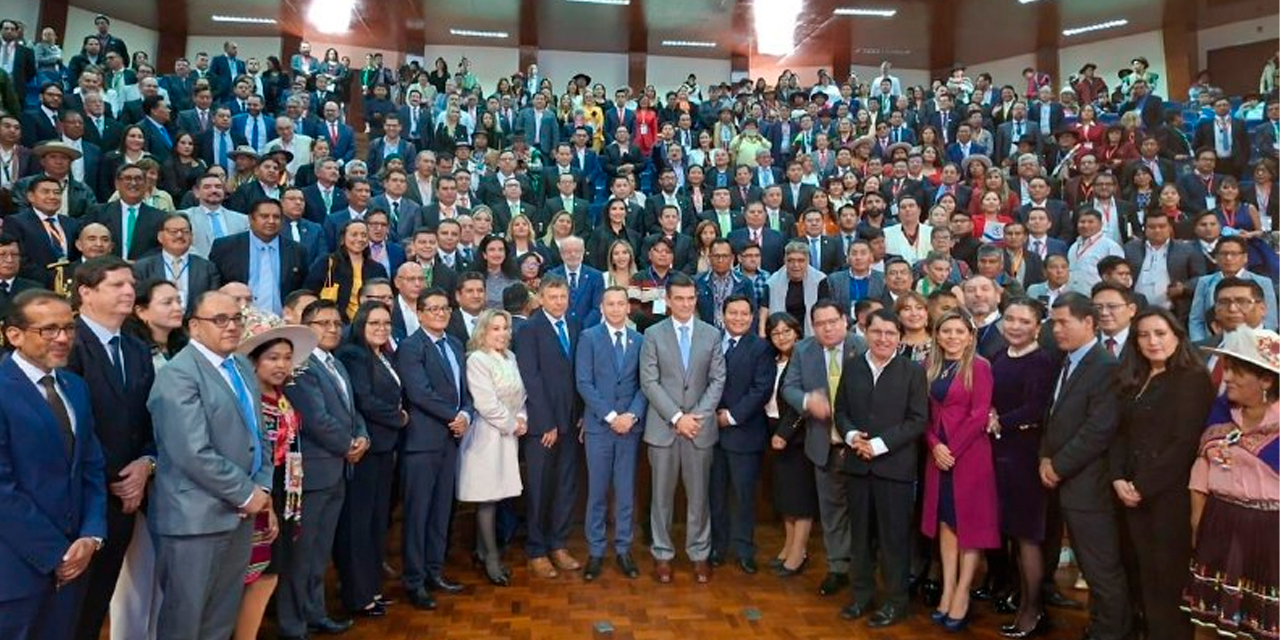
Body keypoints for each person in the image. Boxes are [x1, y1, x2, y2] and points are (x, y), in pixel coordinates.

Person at [147, 291, 273, 640]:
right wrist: (246, 492)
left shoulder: (242, 366)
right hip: (195, 520)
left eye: (237, 319)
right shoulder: (178, 375)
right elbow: (191, 452)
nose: (232, 327)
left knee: (220, 619)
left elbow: (259, 433)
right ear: (194, 326)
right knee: (185, 622)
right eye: (220, 320)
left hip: (239, 514)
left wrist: (261, 486)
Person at [0, 290, 107, 640]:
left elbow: (90, 466)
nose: (62, 338)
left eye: (69, 328)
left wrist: (91, 535)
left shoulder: (75, 387)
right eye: (48, 330)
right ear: (13, 334)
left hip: (75, 564)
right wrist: (56, 554)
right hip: (16, 569)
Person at [64, 258, 157, 640]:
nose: (129, 291)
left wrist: (145, 464)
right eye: (116, 284)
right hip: (80, 500)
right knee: (67, 608)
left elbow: (151, 418)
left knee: (96, 602)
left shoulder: (136, 348)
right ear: (85, 292)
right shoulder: (67, 345)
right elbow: (70, 429)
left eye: (131, 284)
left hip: (125, 498)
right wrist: (119, 478)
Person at [1109, 308, 1215, 640]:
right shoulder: (1135, 376)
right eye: (1143, 335)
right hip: (1127, 491)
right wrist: (1117, 478)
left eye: (1160, 333)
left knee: (1166, 582)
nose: (1152, 341)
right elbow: (1120, 433)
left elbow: (1184, 444)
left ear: (1177, 336)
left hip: (1168, 495)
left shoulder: (1192, 378)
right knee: (1139, 575)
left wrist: (1141, 486)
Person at [276, 299, 369, 639]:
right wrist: (348, 445)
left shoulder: (336, 363)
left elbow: (351, 408)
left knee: (319, 553)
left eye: (336, 322)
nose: (332, 329)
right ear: (305, 327)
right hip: (313, 475)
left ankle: (316, 613)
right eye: (322, 323)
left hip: (337, 471)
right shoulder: (299, 366)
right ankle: (292, 624)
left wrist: (361, 435)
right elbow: (317, 420)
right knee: (301, 556)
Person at [1041, 292, 1130, 640]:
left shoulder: (1105, 366)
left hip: (1090, 484)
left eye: (1064, 322)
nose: (1057, 329)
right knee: (1093, 567)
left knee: (1101, 569)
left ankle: (1112, 633)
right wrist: (1044, 458)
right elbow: (1053, 417)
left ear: (1089, 322)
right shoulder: (1067, 360)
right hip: (1066, 479)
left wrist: (1057, 465)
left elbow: (1099, 429)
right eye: (1054, 322)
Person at [833, 308, 929, 628]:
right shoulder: (853, 367)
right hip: (858, 468)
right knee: (860, 537)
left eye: (890, 333)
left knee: (894, 540)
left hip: (895, 469)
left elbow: (918, 420)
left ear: (900, 338)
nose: (883, 338)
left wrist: (878, 444)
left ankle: (896, 602)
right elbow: (841, 410)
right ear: (866, 333)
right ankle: (861, 596)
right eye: (877, 332)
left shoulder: (912, 372)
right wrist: (849, 435)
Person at [1185, 326, 1279, 640]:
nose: (1226, 378)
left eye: (1237, 372)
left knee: (1258, 626)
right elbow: (1202, 468)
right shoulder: (1222, 416)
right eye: (1227, 369)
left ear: (1266, 380)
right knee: (1209, 622)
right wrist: (1198, 520)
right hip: (1219, 524)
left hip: (1269, 533)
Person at [232, 308, 315, 640]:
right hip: (259, 497)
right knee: (257, 574)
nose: (281, 365)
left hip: (284, 493)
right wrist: (264, 506)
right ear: (254, 362)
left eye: (286, 358)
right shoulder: (247, 401)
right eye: (272, 358)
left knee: (272, 574)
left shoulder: (281, 398)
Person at [639, 272, 727, 584]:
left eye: (691, 298)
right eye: (679, 298)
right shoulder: (653, 334)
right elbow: (649, 381)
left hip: (699, 430)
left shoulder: (711, 334)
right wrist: (677, 418)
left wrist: (696, 417)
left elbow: (717, 380)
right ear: (668, 300)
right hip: (664, 429)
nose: (686, 304)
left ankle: (699, 554)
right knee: (661, 498)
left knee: (699, 497)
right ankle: (662, 554)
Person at [780, 300, 866, 597]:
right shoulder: (804, 350)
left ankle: (863, 569)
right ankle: (837, 567)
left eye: (832, 321)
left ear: (845, 320)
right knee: (832, 513)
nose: (827, 328)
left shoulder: (863, 347)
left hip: (860, 447)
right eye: (820, 324)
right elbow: (788, 387)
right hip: (823, 445)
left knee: (863, 512)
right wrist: (807, 402)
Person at [920, 310, 998, 632]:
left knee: (970, 524)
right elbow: (921, 412)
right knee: (946, 523)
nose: (952, 337)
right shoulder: (929, 366)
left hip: (969, 456)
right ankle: (948, 587)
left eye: (959, 331)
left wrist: (950, 450)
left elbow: (980, 415)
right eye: (946, 331)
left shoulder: (979, 368)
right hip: (938, 454)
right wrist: (934, 445)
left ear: (970, 336)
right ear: (937, 336)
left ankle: (963, 591)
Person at [395, 287, 471, 608]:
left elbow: (465, 389)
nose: (440, 314)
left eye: (445, 309)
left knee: (442, 512)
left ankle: (434, 571)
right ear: (420, 313)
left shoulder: (455, 344)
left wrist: (466, 413)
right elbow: (419, 392)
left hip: (451, 440)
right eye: (433, 309)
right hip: (422, 444)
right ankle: (414, 581)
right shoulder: (411, 347)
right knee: (418, 515)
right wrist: (454, 415)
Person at [333, 301, 404, 617]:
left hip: (384, 450)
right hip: (366, 451)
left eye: (386, 323)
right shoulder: (353, 355)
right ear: (360, 324)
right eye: (374, 323)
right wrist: (399, 417)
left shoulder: (384, 355)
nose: (381, 328)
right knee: (358, 527)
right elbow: (364, 399)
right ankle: (357, 595)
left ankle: (372, 590)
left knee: (377, 524)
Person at [575, 285, 648, 580]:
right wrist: (610, 416)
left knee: (625, 491)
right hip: (599, 427)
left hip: (629, 428)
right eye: (610, 304)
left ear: (628, 307)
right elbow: (584, 382)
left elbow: (646, 383)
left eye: (621, 304)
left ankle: (623, 549)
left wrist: (630, 416)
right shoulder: (589, 337)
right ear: (602, 308)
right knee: (597, 491)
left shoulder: (639, 340)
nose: (616, 309)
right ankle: (595, 551)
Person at [513, 275, 582, 578]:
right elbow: (531, 378)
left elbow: (579, 374)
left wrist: (581, 414)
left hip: (571, 422)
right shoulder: (529, 329)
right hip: (544, 426)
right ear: (540, 298)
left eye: (562, 297)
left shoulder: (576, 326)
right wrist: (547, 423)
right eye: (552, 297)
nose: (558, 302)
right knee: (540, 488)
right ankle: (537, 549)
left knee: (565, 487)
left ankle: (558, 543)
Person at [458, 309, 527, 586]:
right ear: (483, 332)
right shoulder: (477, 359)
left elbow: (522, 395)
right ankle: (492, 559)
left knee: (497, 496)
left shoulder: (511, 357)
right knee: (487, 499)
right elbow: (485, 403)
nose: (502, 334)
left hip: (509, 435)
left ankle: (481, 550)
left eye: (505, 328)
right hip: (486, 437)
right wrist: (512, 424)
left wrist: (521, 418)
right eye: (495, 329)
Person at [709, 294, 776, 573]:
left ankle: (745, 549)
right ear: (723, 315)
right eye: (732, 313)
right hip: (710, 434)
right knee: (715, 495)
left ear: (751, 318)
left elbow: (761, 389)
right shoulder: (712, 343)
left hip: (745, 434)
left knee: (744, 497)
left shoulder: (760, 348)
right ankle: (717, 546)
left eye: (743, 314)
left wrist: (732, 416)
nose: (738, 318)